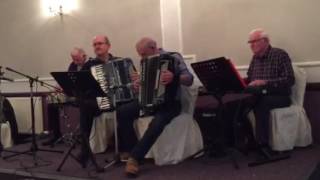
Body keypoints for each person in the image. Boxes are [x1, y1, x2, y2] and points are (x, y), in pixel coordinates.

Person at [124, 37, 194, 177]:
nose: (141, 57)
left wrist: (174, 77)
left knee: (157, 123)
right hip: (148, 100)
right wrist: (137, 85)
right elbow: (145, 84)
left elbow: (189, 79)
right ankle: (131, 149)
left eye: (143, 54)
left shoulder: (173, 57)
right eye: (140, 54)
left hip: (171, 103)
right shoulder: (145, 62)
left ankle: (135, 158)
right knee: (122, 112)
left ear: (153, 48)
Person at [244, 28, 295, 147]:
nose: (251, 45)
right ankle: (248, 141)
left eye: (254, 41)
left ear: (265, 41)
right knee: (236, 104)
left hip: (280, 96)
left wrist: (265, 82)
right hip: (258, 94)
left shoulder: (280, 54)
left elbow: (289, 79)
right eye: (249, 43)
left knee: (261, 103)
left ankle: (263, 145)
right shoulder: (254, 58)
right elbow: (250, 78)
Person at [42, 47, 87, 146]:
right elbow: (67, 79)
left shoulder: (90, 65)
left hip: (85, 97)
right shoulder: (73, 65)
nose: (75, 62)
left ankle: (84, 137)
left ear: (84, 56)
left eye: (77, 59)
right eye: (73, 59)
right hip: (72, 96)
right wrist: (59, 86)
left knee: (86, 105)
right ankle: (55, 135)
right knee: (51, 104)